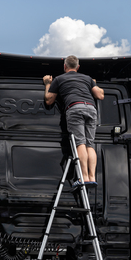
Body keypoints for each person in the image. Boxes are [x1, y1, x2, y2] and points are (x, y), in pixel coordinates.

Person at [43, 55, 104, 186]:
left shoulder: (59, 79)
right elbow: (100, 95)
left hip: (75, 108)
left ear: (65, 66)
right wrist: (95, 84)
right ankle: (92, 177)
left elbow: (49, 100)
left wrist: (48, 84)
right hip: (91, 109)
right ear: (78, 67)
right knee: (89, 144)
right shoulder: (87, 78)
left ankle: (84, 177)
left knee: (80, 143)